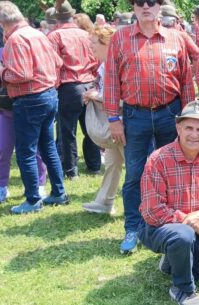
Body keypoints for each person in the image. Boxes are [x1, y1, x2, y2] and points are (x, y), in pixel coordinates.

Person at [104, 0, 195, 254]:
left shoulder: (175, 38)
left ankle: (170, 225)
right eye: (140, 2)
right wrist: (113, 118)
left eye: (152, 2)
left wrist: (188, 118)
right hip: (135, 116)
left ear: (160, 6)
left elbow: (186, 80)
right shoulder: (120, 38)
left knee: (173, 171)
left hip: (171, 113)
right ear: (133, 7)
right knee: (135, 174)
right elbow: (111, 79)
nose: (146, 6)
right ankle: (133, 227)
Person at [139, 100, 199, 305]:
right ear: (178, 127)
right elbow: (152, 211)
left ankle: (173, 260)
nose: (194, 134)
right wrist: (192, 223)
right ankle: (183, 289)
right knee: (182, 235)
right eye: (189, 128)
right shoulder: (158, 159)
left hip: (195, 228)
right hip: (158, 228)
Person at [0, 1, 67, 214]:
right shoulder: (37, 34)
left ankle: (33, 200)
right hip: (49, 95)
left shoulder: (16, 39)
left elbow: (22, 75)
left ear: (0, 22)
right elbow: (58, 63)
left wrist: (0, 69)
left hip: (29, 99)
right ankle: (59, 193)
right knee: (48, 147)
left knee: (26, 152)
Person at [48, 1, 101, 180]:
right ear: (72, 14)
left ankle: (71, 171)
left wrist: (53, 86)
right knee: (90, 129)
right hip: (89, 84)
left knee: (67, 131)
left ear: (56, 18)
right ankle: (94, 166)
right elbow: (96, 60)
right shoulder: (86, 34)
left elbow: (54, 65)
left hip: (69, 86)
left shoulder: (55, 36)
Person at [0, 47, 48, 205]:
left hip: (28, 108)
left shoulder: (34, 50)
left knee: (34, 149)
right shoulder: (2, 51)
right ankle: (2, 186)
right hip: (6, 109)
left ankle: (40, 184)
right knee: (3, 149)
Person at [81, 26, 123, 215]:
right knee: (112, 163)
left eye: (93, 43)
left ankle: (146, 205)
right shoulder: (105, 64)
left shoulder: (116, 64)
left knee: (134, 166)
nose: (91, 47)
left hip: (122, 122)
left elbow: (121, 98)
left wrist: (95, 95)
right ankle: (104, 202)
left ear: (107, 43)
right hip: (114, 122)